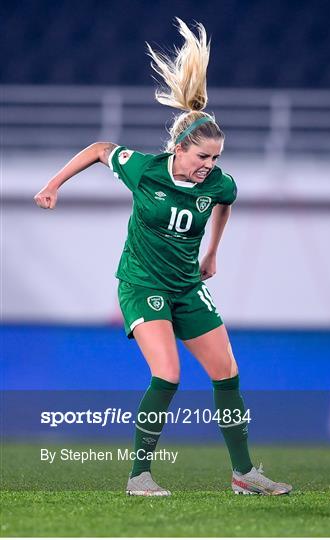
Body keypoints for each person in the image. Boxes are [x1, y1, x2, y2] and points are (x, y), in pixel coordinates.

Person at [34, 18, 292, 497]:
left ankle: (243, 473)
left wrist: (212, 251)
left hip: (186, 285)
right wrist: (52, 186)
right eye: (202, 158)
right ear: (178, 149)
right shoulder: (144, 170)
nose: (209, 168)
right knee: (168, 374)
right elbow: (97, 149)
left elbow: (226, 202)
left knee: (227, 372)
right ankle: (139, 476)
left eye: (215, 159)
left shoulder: (218, 184)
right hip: (142, 284)